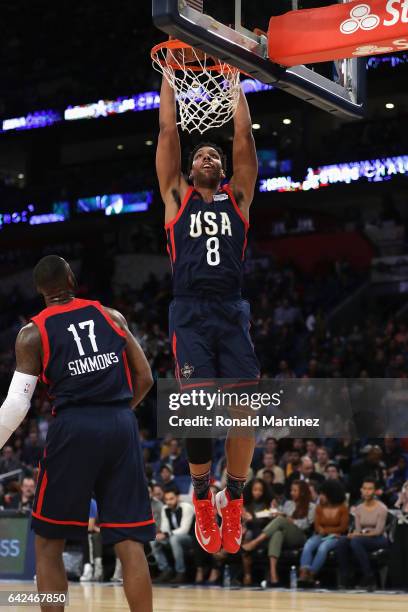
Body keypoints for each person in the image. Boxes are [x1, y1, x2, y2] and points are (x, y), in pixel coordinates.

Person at [0, 255, 155, 612]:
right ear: (72, 278)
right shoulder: (111, 316)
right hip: (120, 423)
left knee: (48, 542)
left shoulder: (32, 333)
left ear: (39, 290)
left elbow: (15, 406)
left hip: (74, 427)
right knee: (130, 541)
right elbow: (145, 378)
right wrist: (113, 415)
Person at [156, 73, 260, 554]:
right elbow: (168, 134)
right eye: (201, 155)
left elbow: (242, 137)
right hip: (190, 311)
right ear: (190, 167)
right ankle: (201, 493)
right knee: (197, 407)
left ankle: (233, 496)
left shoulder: (237, 197)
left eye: (213, 156)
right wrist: (171, 78)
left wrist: (235, 82)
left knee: (245, 409)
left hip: (231, 308)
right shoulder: (176, 197)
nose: (207, 157)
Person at [242, 480, 315, 587]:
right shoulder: (289, 504)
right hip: (285, 533)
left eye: (295, 490)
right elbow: (278, 516)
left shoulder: (312, 507)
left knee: (281, 520)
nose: (291, 493)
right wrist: (274, 510)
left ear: (303, 492)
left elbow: (305, 525)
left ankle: (255, 542)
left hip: (300, 536)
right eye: (291, 490)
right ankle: (273, 575)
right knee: (277, 534)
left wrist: (289, 519)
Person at [336, 478, 389, 591]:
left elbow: (378, 531)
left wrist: (358, 535)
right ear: (361, 490)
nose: (367, 492)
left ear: (375, 491)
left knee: (356, 541)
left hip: (379, 539)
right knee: (342, 541)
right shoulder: (358, 509)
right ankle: (346, 576)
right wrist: (354, 534)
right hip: (362, 538)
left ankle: (369, 577)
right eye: (364, 489)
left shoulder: (382, 508)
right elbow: (358, 529)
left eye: (370, 489)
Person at [299, 480, 349, 586]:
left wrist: (326, 531)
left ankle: (311, 574)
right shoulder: (319, 508)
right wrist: (322, 531)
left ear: (331, 494)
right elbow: (317, 526)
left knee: (323, 547)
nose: (320, 496)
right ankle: (304, 573)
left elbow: (343, 528)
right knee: (308, 545)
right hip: (321, 535)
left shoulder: (342, 509)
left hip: (336, 537)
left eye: (323, 494)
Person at [151, 487, 194, 584]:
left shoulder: (186, 507)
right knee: (153, 539)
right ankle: (165, 569)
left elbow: (184, 529)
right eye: (166, 499)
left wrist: (166, 534)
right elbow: (164, 527)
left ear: (178, 497)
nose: (168, 502)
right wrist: (161, 534)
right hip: (172, 537)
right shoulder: (165, 508)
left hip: (190, 539)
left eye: (171, 499)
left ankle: (181, 572)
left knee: (174, 539)